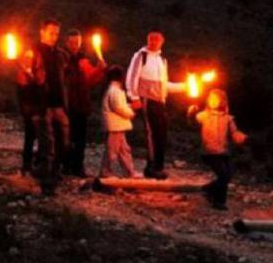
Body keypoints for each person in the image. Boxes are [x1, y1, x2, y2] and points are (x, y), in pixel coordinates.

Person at [125, 30, 186, 179]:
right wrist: (134, 97)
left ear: (162, 42)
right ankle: (152, 169)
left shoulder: (162, 60)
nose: (153, 42)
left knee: (161, 133)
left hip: (160, 101)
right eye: (151, 39)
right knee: (152, 133)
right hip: (146, 99)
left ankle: (158, 167)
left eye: (156, 40)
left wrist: (185, 87)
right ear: (147, 40)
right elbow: (131, 77)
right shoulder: (141, 56)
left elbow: (164, 85)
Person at [187, 89, 247, 210]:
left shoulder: (228, 119)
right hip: (209, 152)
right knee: (223, 175)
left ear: (223, 101)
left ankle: (208, 189)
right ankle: (219, 202)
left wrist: (241, 138)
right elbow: (193, 123)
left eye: (216, 99)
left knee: (228, 175)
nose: (213, 101)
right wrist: (191, 113)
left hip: (223, 152)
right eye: (211, 99)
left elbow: (234, 133)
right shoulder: (204, 115)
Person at [63, 29, 106, 177]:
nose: (75, 45)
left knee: (80, 139)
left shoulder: (83, 61)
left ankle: (78, 167)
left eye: (77, 42)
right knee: (66, 137)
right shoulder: (62, 59)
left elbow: (91, 80)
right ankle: (65, 166)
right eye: (72, 42)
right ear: (67, 42)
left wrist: (100, 70)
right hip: (67, 105)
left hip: (81, 106)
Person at [33, 18, 69, 192]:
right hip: (43, 105)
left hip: (59, 104)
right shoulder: (34, 52)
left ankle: (55, 172)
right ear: (42, 32)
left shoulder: (59, 54)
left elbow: (64, 79)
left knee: (63, 141)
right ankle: (47, 182)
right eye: (51, 33)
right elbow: (26, 80)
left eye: (56, 33)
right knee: (48, 144)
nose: (54, 36)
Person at [100, 66, 141, 178]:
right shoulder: (115, 91)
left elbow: (119, 106)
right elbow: (118, 107)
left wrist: (129, 106)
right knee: (111, 151)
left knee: (124, 150)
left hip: (117, 126)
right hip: (115, 126)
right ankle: (105, 172)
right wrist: (131, 112)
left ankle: (129, 172)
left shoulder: (113, 90)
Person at [15, 48, 43, 175]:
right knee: (30, 137)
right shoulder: (21, 74)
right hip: (29, 110)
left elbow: (41, 87)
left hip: (39, 108)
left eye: (31, 58)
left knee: (41, 137)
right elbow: (23, 93)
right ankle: (27, 164)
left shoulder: (38, 72)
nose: (29, 60)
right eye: (26, 57)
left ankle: (37, 162)